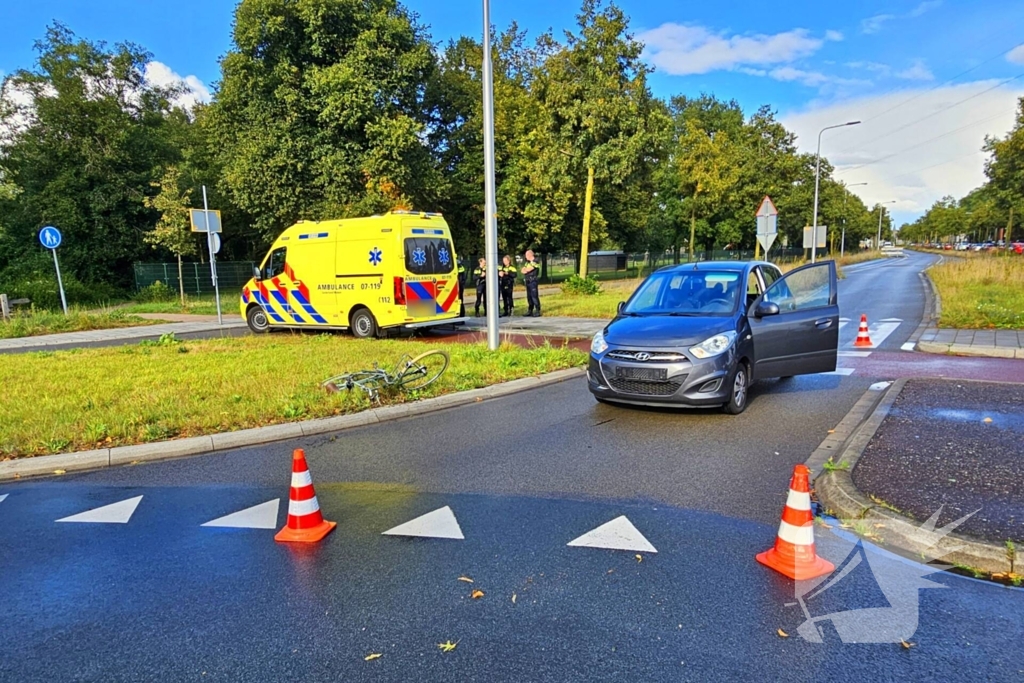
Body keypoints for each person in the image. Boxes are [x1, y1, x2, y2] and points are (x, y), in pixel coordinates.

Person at [521, 249, 541, 317]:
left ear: (529, 255)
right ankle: (530, 310)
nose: (525, 256)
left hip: (533, 280)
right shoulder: (527, 262)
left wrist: (526, 270)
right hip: (527, 281)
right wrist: (526, 270)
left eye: (526, 255)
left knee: (534, 296)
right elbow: (522, 270)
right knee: (529, 296)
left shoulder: (536, 261)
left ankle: (537, 310)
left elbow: (529, 269)